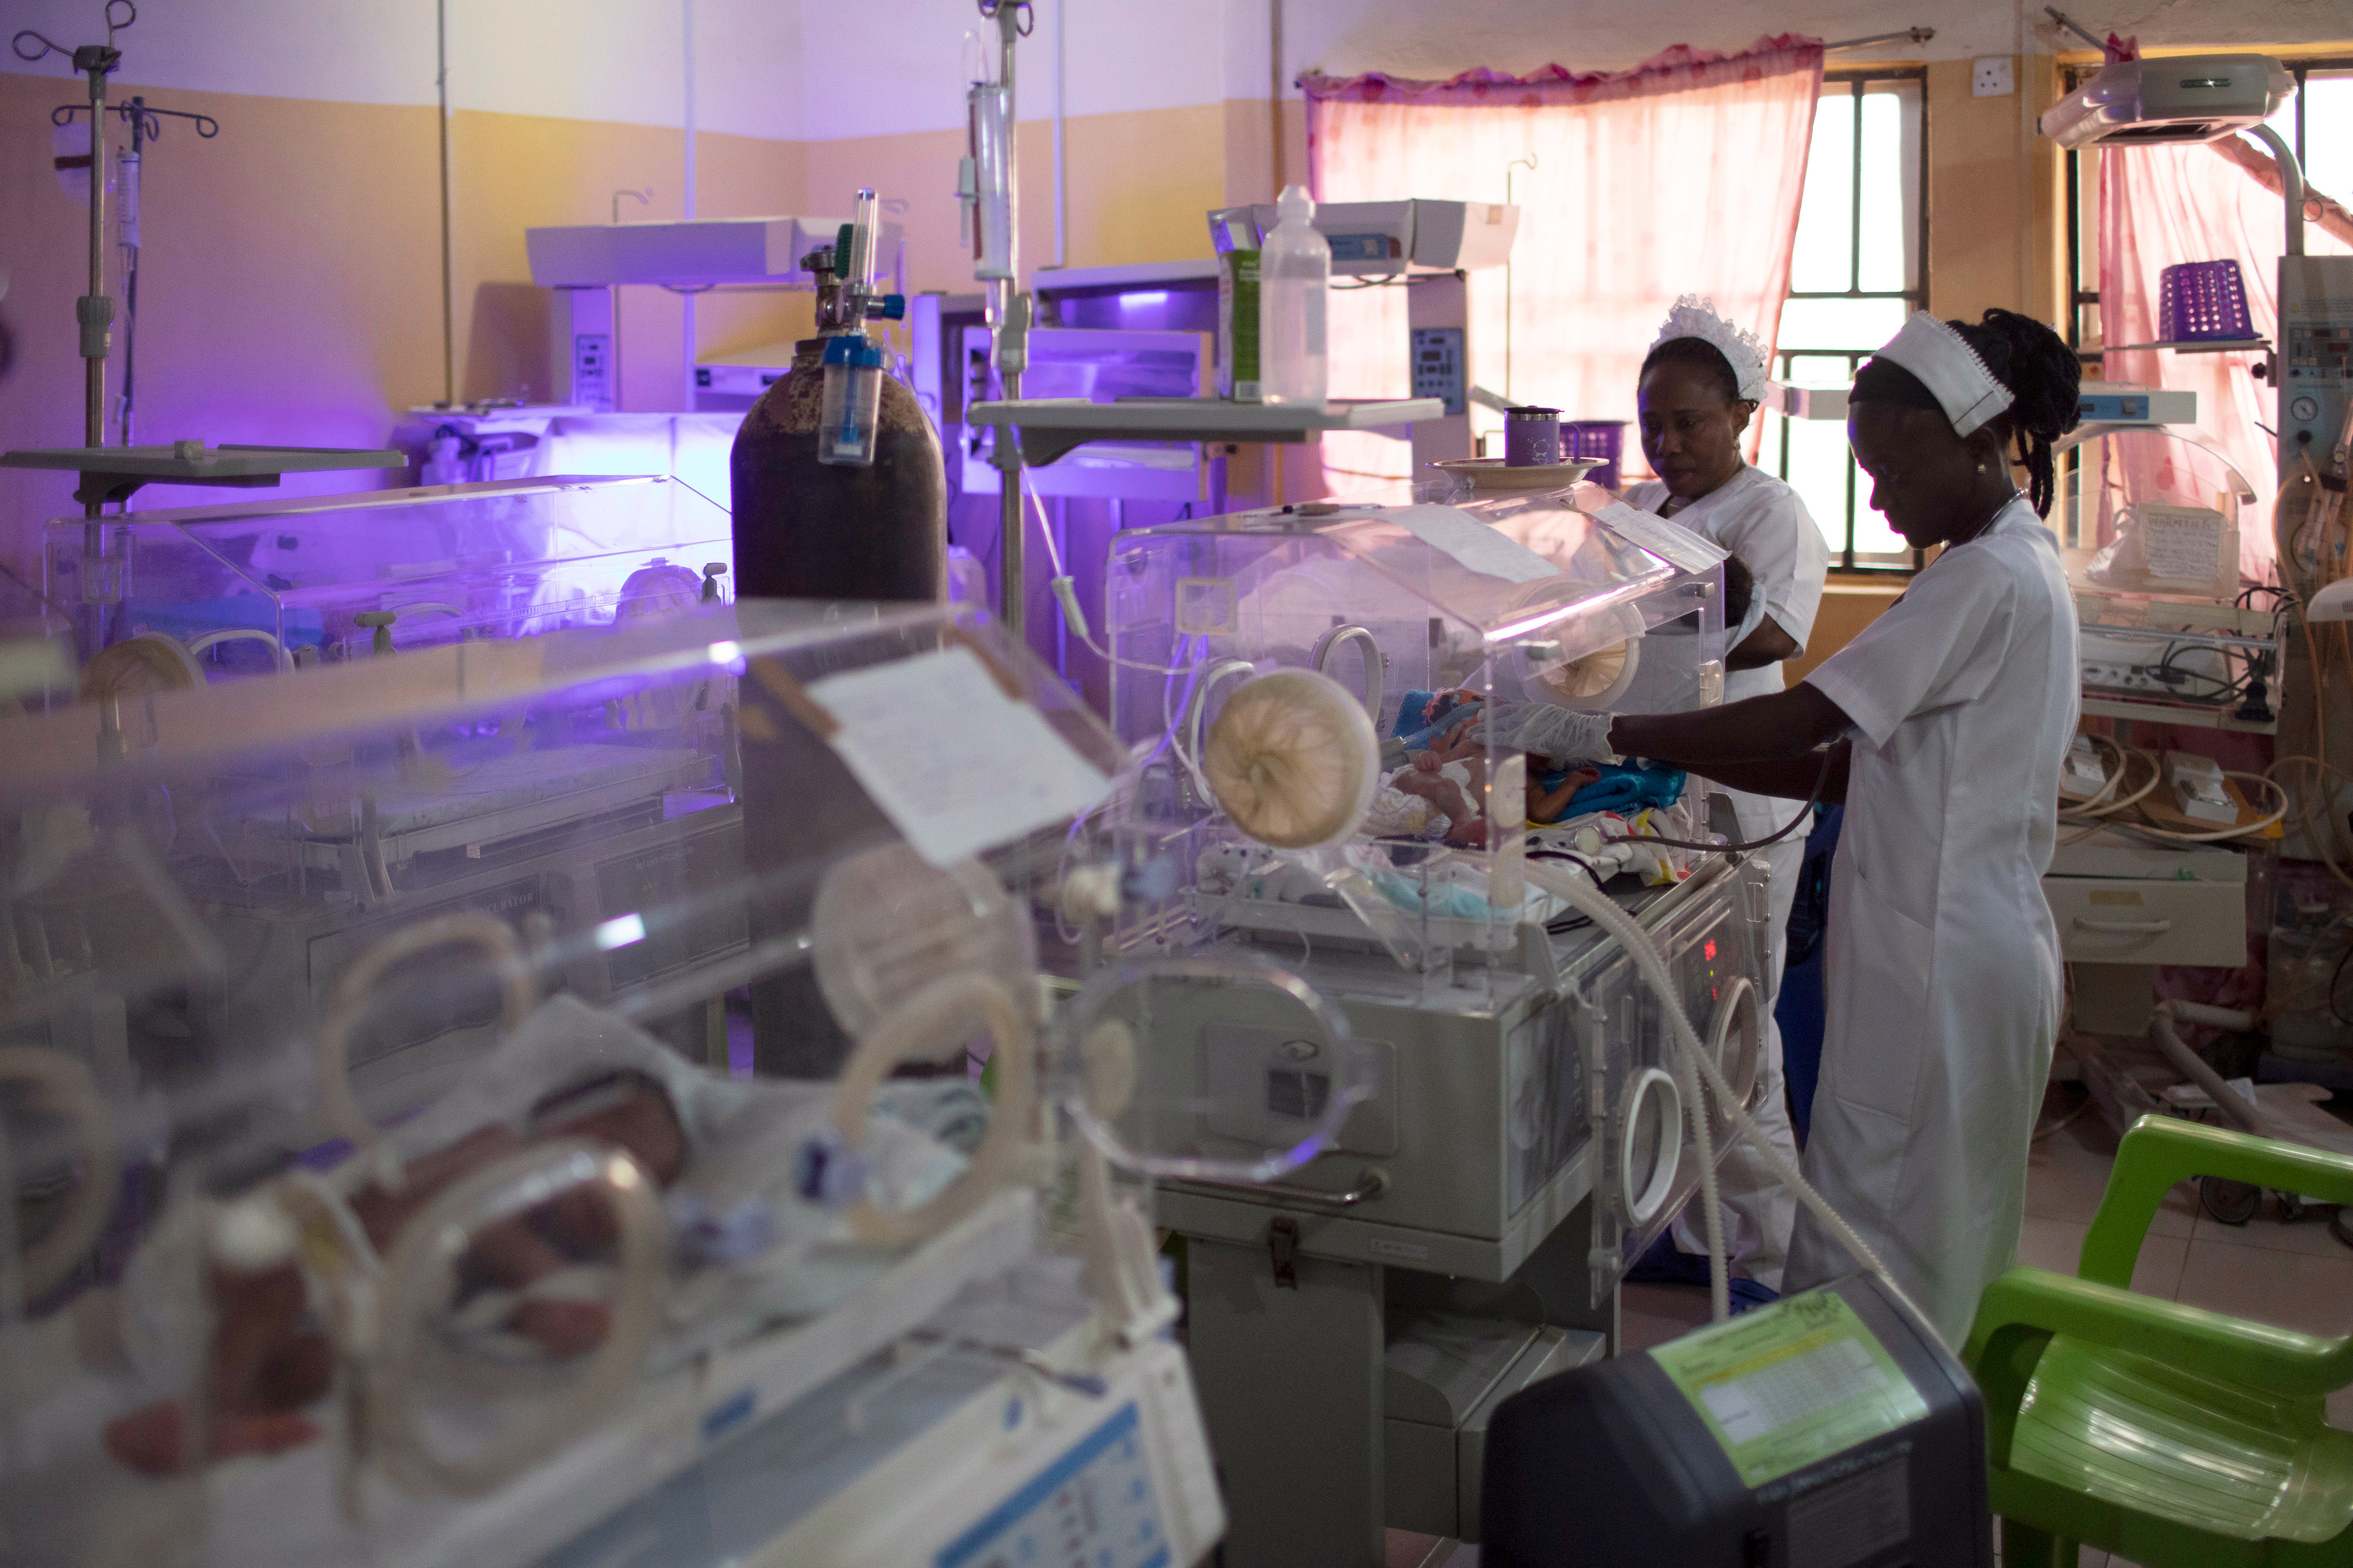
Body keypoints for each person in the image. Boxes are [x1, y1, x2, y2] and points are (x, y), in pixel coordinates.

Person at [1542, 308, 2081, 1346]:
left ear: (1976, 442)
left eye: (1889, 466)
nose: (1877, 497)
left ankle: (1869, 1468)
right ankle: (1918, 1451)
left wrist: (1603, 729)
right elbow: (1840, 767)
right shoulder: (2013, 560)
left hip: (1939, 963)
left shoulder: (1982, 577)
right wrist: (1655, 753)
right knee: (1940, 1246)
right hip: (1962, 949)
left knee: (1880, 1248)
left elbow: (1806, 709)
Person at [1624, 298, 1831, 1296]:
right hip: (1674, 792)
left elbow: (1775, 636)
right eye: (1651, 424)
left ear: (1741, 414)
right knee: (1681, 1023)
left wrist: (1647, 656)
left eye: (1688, 423)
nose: (1667, 445)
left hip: (1743, 804)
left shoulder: (1769, 511)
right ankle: (1706, 1236)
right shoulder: (1649, 511)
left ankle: (1769, 1253)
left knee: (1739, 1027)